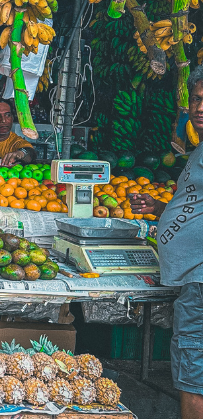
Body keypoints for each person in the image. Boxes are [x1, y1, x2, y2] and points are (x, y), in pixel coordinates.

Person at [130, 65, 203, 419]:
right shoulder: (200, 150)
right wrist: (163, 208)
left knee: (194, 372)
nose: (201, 108)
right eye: (198, 99)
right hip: (192, 279)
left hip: (201, 281)